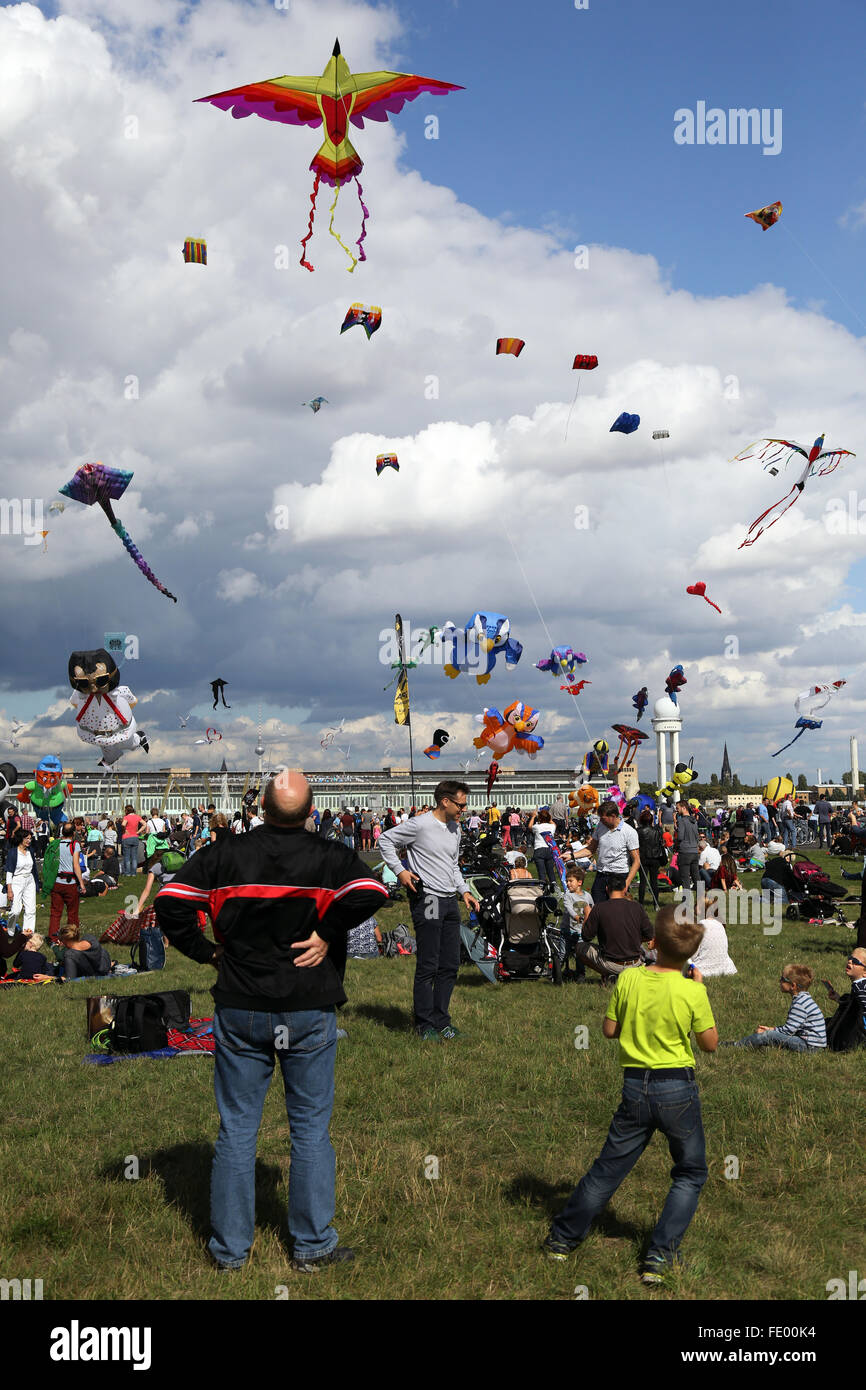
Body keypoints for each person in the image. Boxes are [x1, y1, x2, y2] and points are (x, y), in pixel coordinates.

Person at [154, 771, 388, 1273]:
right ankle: (312, 1245)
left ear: (260, 806)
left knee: (238, 1129)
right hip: (306, 1005)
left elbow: (170, 903)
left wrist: (205, 952)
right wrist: (327, 931)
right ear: (310, 812)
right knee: (308, 1129)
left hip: (241, 1004)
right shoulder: (328, 855)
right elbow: (373, 889)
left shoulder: (225, 853)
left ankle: (230, 1251)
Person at [544, 905, 717, 1282]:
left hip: (636, 1086)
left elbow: (608, 1030)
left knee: (609, 1167)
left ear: (652, 942)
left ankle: (562, 1239)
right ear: (691, 954)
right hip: (678, 1087)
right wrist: (698, 992)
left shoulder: (629, 980)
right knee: (689, 1171)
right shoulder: (692, 991)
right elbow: (709, 1044)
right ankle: (659, 1256)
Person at [378, 780, 480, 1041]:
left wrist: (464, 891)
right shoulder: (420, 824)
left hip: (448, 900)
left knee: (450, 964)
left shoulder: (455, 828)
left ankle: (442, 1021)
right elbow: (386, 841)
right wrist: (400, 871)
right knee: (429, 963)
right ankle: (424, 1024)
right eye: (461, 804)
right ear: (445, 801)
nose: (464, 810)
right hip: (429, 900)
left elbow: (452, 864)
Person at [724, 964, 827, 1051]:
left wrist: (769, 1031)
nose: (779, 981)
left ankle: (736, 1045)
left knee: (768, 1036)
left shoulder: (800, 1003)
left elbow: (788, 1031)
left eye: (783, 979)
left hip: (809, 1046)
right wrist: (771, 1028)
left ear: (793, 986)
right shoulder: (803, 998)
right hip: (812, 1044)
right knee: (770, 1033)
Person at [574, 875, 653, 984]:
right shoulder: (637, 907)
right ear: (625, 889)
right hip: (635, 962)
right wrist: (634, 939)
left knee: (579, 948)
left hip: (611, 963)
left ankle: (607, 974)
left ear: (607, 889)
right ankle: (619, 975)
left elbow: (586, 937)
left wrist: (587, 914)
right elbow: (649, 934)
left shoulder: (599, 908)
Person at [580, 801, 640, 903]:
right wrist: (571, 855)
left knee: (617, 910)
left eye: (603, 818)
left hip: (619, 876)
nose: (601, 821)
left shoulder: (629, 832)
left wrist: (627, 882)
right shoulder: (600, 826)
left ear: (613, 816)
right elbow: (591, 849)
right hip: (601, 875)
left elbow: (637, 861)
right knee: (598, 908)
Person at [48, 823, 86, 941]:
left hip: (56, 881)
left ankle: (53, 938)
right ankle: (72, 936)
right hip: (70, 882)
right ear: (73, 833)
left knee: (55, 912)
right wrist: (82, 883)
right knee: (72, 912)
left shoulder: (55, 845)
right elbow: (76, 865)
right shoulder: (74, 845)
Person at [688, 897, 737, 977]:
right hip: (724, 967)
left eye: (696, 904)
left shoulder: (700, 926)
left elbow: (693, 954)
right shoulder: (720, 924)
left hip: (702, 968)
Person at [5, 829, 40, 934]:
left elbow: (34, 869)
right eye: (27, 838)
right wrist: (9, 889)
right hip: (17, 880)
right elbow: (9, 872)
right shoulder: (13, 852)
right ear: (21, 839)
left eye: (30, 838)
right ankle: (10, 931)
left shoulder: (30, 851)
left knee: (31, 909)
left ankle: (28, 933)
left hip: (29, 880)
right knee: (15, 910)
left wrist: (37, 883)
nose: (29, 840)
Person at [560, 866, 592, 980]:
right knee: (563, 954)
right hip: (567, 931)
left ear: (579, 882)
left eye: (570, 881)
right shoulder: (568, 895)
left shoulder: (587, 896)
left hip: (580, 932)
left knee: (580, 955)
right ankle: (556, 973)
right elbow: (569, 908)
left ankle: (581, 975)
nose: (568, 884)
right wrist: (576, 916)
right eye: (567, 881)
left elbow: (591, 909)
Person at [636, 809, 666, 906]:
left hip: (643, 858)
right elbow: (660, 843)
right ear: (651, 820)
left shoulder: (638, 831)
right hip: (655, 858)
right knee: (654, 882)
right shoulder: (657, 831)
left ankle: (641, 903)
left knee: (643, 882)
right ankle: (656, 904)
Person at [527, 808, 559, 889]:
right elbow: (554, 824)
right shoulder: (552, 826)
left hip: (539, 849)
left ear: (539, 818)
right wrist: (550, 818)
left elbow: (529, 826)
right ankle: (554, 887)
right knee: (550, 871)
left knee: (541, 872)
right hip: (549, 849)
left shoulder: (537, 827)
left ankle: (543, 888)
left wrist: (533, 817)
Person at [675, 802, 700, 897]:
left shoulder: (681, 820)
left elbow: (680, 836)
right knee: (697, 878)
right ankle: (701, 901)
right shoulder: (694, 820)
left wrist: (676, 840)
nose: (677, 810)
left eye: (678, 808)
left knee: (685, 879)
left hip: (685, 851)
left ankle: (686, 904)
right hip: (694, 851)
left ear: (684, 808)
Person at [120, 804, 144, 876]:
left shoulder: (126, 817)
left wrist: (125, 831)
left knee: (127, 856)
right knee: (134, 856)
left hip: (127, 837)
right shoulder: (137, 817)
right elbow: (144, 824)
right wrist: (138, 832)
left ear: (127, 810)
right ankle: (133, 873)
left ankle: (127, 873)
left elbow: (123, 824)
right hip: (135, 837)